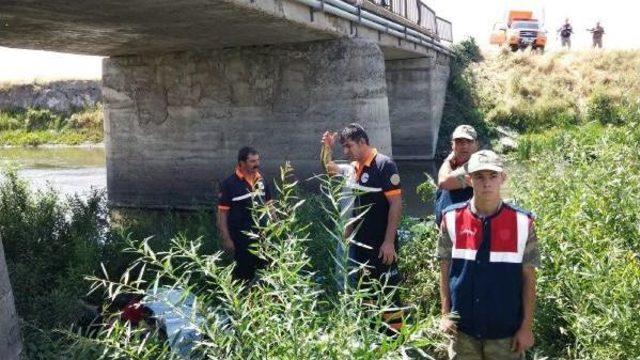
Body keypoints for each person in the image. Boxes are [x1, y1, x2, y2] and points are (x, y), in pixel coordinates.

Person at [437, 150, 540, 360]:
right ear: (468, 180)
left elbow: (529, 279)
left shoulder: (523, 223)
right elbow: (444, 270)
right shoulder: (451, 219)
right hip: (462, 332)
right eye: (479, 177)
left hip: (505, 334)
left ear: (503, 178)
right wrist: (445, 314)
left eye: (493, 176)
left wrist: (526, 327)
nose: (486, 183)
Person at [321, 124, 403, 332]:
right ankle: (374, 336)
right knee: (366, 291)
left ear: (362, 142)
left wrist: (389, 242)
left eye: (349, 147)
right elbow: (329, 168)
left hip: (381, 243)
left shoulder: (384, 165)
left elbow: (396, 204)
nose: (346, 152)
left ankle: (395, 339)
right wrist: (327, 149)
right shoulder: (354, 168)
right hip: (361, 244)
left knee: (389, 291)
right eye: (344, 148)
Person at [217, 146, 272, 281]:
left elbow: (270, 205)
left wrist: (276, 228)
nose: (257, 164)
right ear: (241, 163)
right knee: (242, 276)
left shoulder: (262, 181)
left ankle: (262, 300)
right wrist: (226, 238)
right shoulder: (229, 184)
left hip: (262, 237)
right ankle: (241, 300)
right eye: (252, 161)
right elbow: (222, 214)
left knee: (266, 273)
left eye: (257, 160)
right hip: (241, 240)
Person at [435, 125, 479, 226]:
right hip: (448, 228)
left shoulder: (475, 168)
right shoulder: (453, 165)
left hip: (466, 228)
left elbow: (443, 182)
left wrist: (449, 158)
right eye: (459, 142)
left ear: (476, 145)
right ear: (452, 145)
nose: (464, 146)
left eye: (469, 142)